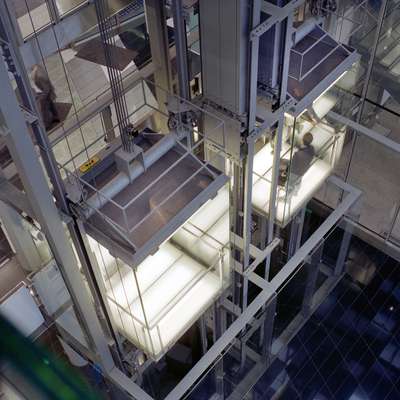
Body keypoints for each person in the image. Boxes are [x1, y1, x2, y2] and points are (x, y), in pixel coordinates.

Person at [31, 64, 60, 129]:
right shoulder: (40, 73)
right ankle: (55, 117)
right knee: (51, 105)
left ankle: (47, 124)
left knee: (44, 110)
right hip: (47, 93)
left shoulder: (39, 76)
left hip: (47, 94)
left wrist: (42, 96)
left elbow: (46, 88)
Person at [287, 132, 315, 197]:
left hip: (294, 171)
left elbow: (292, 163)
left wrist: (287, 170)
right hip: (302, 171)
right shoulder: (311, 150)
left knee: (290, 185)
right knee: (296, 183)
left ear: (302, 140)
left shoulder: (298, 154)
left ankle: (287, 198)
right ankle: (293, 194)